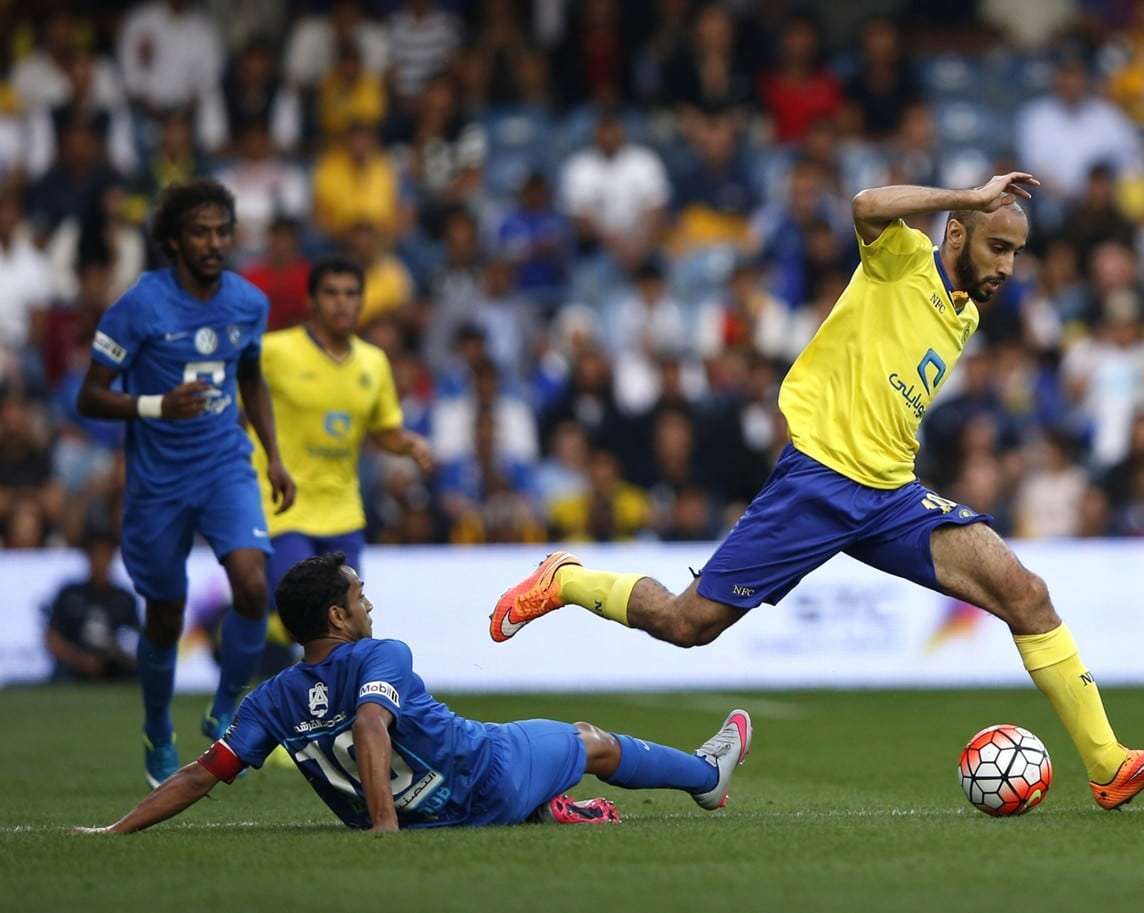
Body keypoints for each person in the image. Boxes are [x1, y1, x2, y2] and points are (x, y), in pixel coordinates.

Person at [491, 173, 1144, 811]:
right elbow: (864, 204)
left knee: (1026, 592)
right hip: (819, 481)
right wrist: (965, 194)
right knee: (687, 624)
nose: (1008, 267)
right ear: (958, 231)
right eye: (999, 246)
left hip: (889, 494)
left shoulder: (965, 313)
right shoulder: (905, 258)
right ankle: (568, 578)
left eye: (1015, 252)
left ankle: (1108, 764)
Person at [75, 552, 752, 833]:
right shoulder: (381, 653)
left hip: (435, 813)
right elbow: (372, 725)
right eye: (359, 597)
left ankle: (555, 807)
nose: (368, 605)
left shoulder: (269, 700)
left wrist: (117, 827)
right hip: (489, 773)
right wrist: (386, 830)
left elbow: (202, 772)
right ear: (337, 618)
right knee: (590, 740)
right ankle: (706, 775)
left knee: (546, 753)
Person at [76, 178, 296, 787]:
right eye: (201, 231)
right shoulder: (139, 305)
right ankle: (157, 728)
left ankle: (228, 708)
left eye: (223, 231)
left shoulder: (248, 303)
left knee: (253, 583)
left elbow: (250, 376)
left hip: (225, 463)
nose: (214, 242)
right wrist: (155, 406)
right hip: (158, 483)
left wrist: (273, 455)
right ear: (173, 240)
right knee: (166, 615)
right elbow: (89, 396)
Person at [251, 256, 431, 617]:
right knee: (307, 614)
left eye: (351, 293)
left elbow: (382, 431)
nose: (342, 302)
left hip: (343, 511)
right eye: (331, 293)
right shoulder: (274, 352)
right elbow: (239, 406)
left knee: (345, 618)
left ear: (362, 301)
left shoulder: (373, 362)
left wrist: (410, 444)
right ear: (312, 301)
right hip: (285, 507)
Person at [44, 531, 139, 682]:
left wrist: (117, 655)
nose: (100, 561)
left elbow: (135, 640)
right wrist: (80, 660)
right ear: (88, 557)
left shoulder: (124, 598)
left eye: (104, 555)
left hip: (114, 666)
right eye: (96, 555)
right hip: (74, 665)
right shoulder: (69, 594)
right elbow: (52, 638)